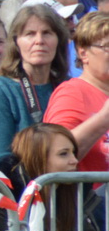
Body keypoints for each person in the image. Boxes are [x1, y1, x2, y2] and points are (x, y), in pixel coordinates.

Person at [42, 11, 109, 173]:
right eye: (107, 46)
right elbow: (52, 155)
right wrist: (103, 120)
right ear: (83, 53)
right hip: (89, 196)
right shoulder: (72, 93)